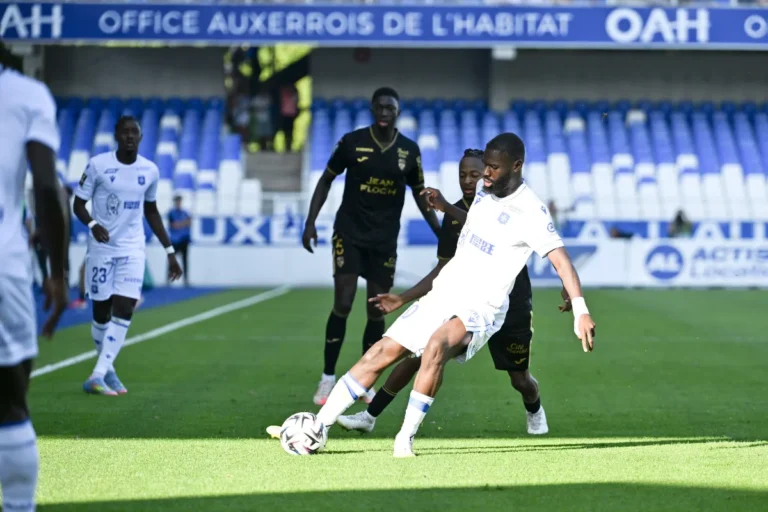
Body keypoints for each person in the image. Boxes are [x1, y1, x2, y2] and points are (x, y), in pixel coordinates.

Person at [313, 133, 596, 457]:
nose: (485, 173)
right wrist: (446, 208)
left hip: (484, 305)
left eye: (493, 167)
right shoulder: (484, 192)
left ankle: (404, 438)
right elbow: (478, 224)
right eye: (485, 166)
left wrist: (580, 309)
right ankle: (318, 427)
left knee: (441, 347)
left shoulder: (531, 211)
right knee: (382, 351)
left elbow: (561, 259)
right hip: (445, 292)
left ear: (516, 166)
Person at [302, 87, 440, 406]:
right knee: (343, 302)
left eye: (390, 108)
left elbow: (420, 195)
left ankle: (364, 381)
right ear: (372, 109)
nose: (384, 112)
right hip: (349, 233)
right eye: (379, 107)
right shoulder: (352, 142)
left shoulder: (409, 151)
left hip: (384, 240)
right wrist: (310, 221)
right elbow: (326, 179)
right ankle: (327, 377)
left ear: (398, 112)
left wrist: (440, 231)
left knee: (377, 309)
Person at [0, 62, 70, 512]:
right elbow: (46, 185)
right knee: (9, 405)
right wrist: (57, 273)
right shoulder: (26, 94)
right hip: (3, 263)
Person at [73, 115, 183, 396]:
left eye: (135, 132)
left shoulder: (150, 170)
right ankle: (107, 371)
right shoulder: (98, 165)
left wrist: (170, 251)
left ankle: (97, 374)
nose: (130, 136)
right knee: (101, 313)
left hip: (133, 249)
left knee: (125, 307)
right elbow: (78, 205)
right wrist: (93, 224)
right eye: (125, 132)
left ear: (141, 137)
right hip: (101, 249)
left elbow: (151, 211)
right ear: (116, 135)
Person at [168, 195, 191, 286]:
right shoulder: (171, 213)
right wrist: (183, 223)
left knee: (185, 260)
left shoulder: (185, 212)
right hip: (174, 240)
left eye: (179, 201)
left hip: (184, 239)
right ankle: (169, 280)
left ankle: (186, 280)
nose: (178, 203)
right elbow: (173, 225)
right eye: (177, 201)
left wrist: (180, 224)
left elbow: (189, 223)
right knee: (172, 260)